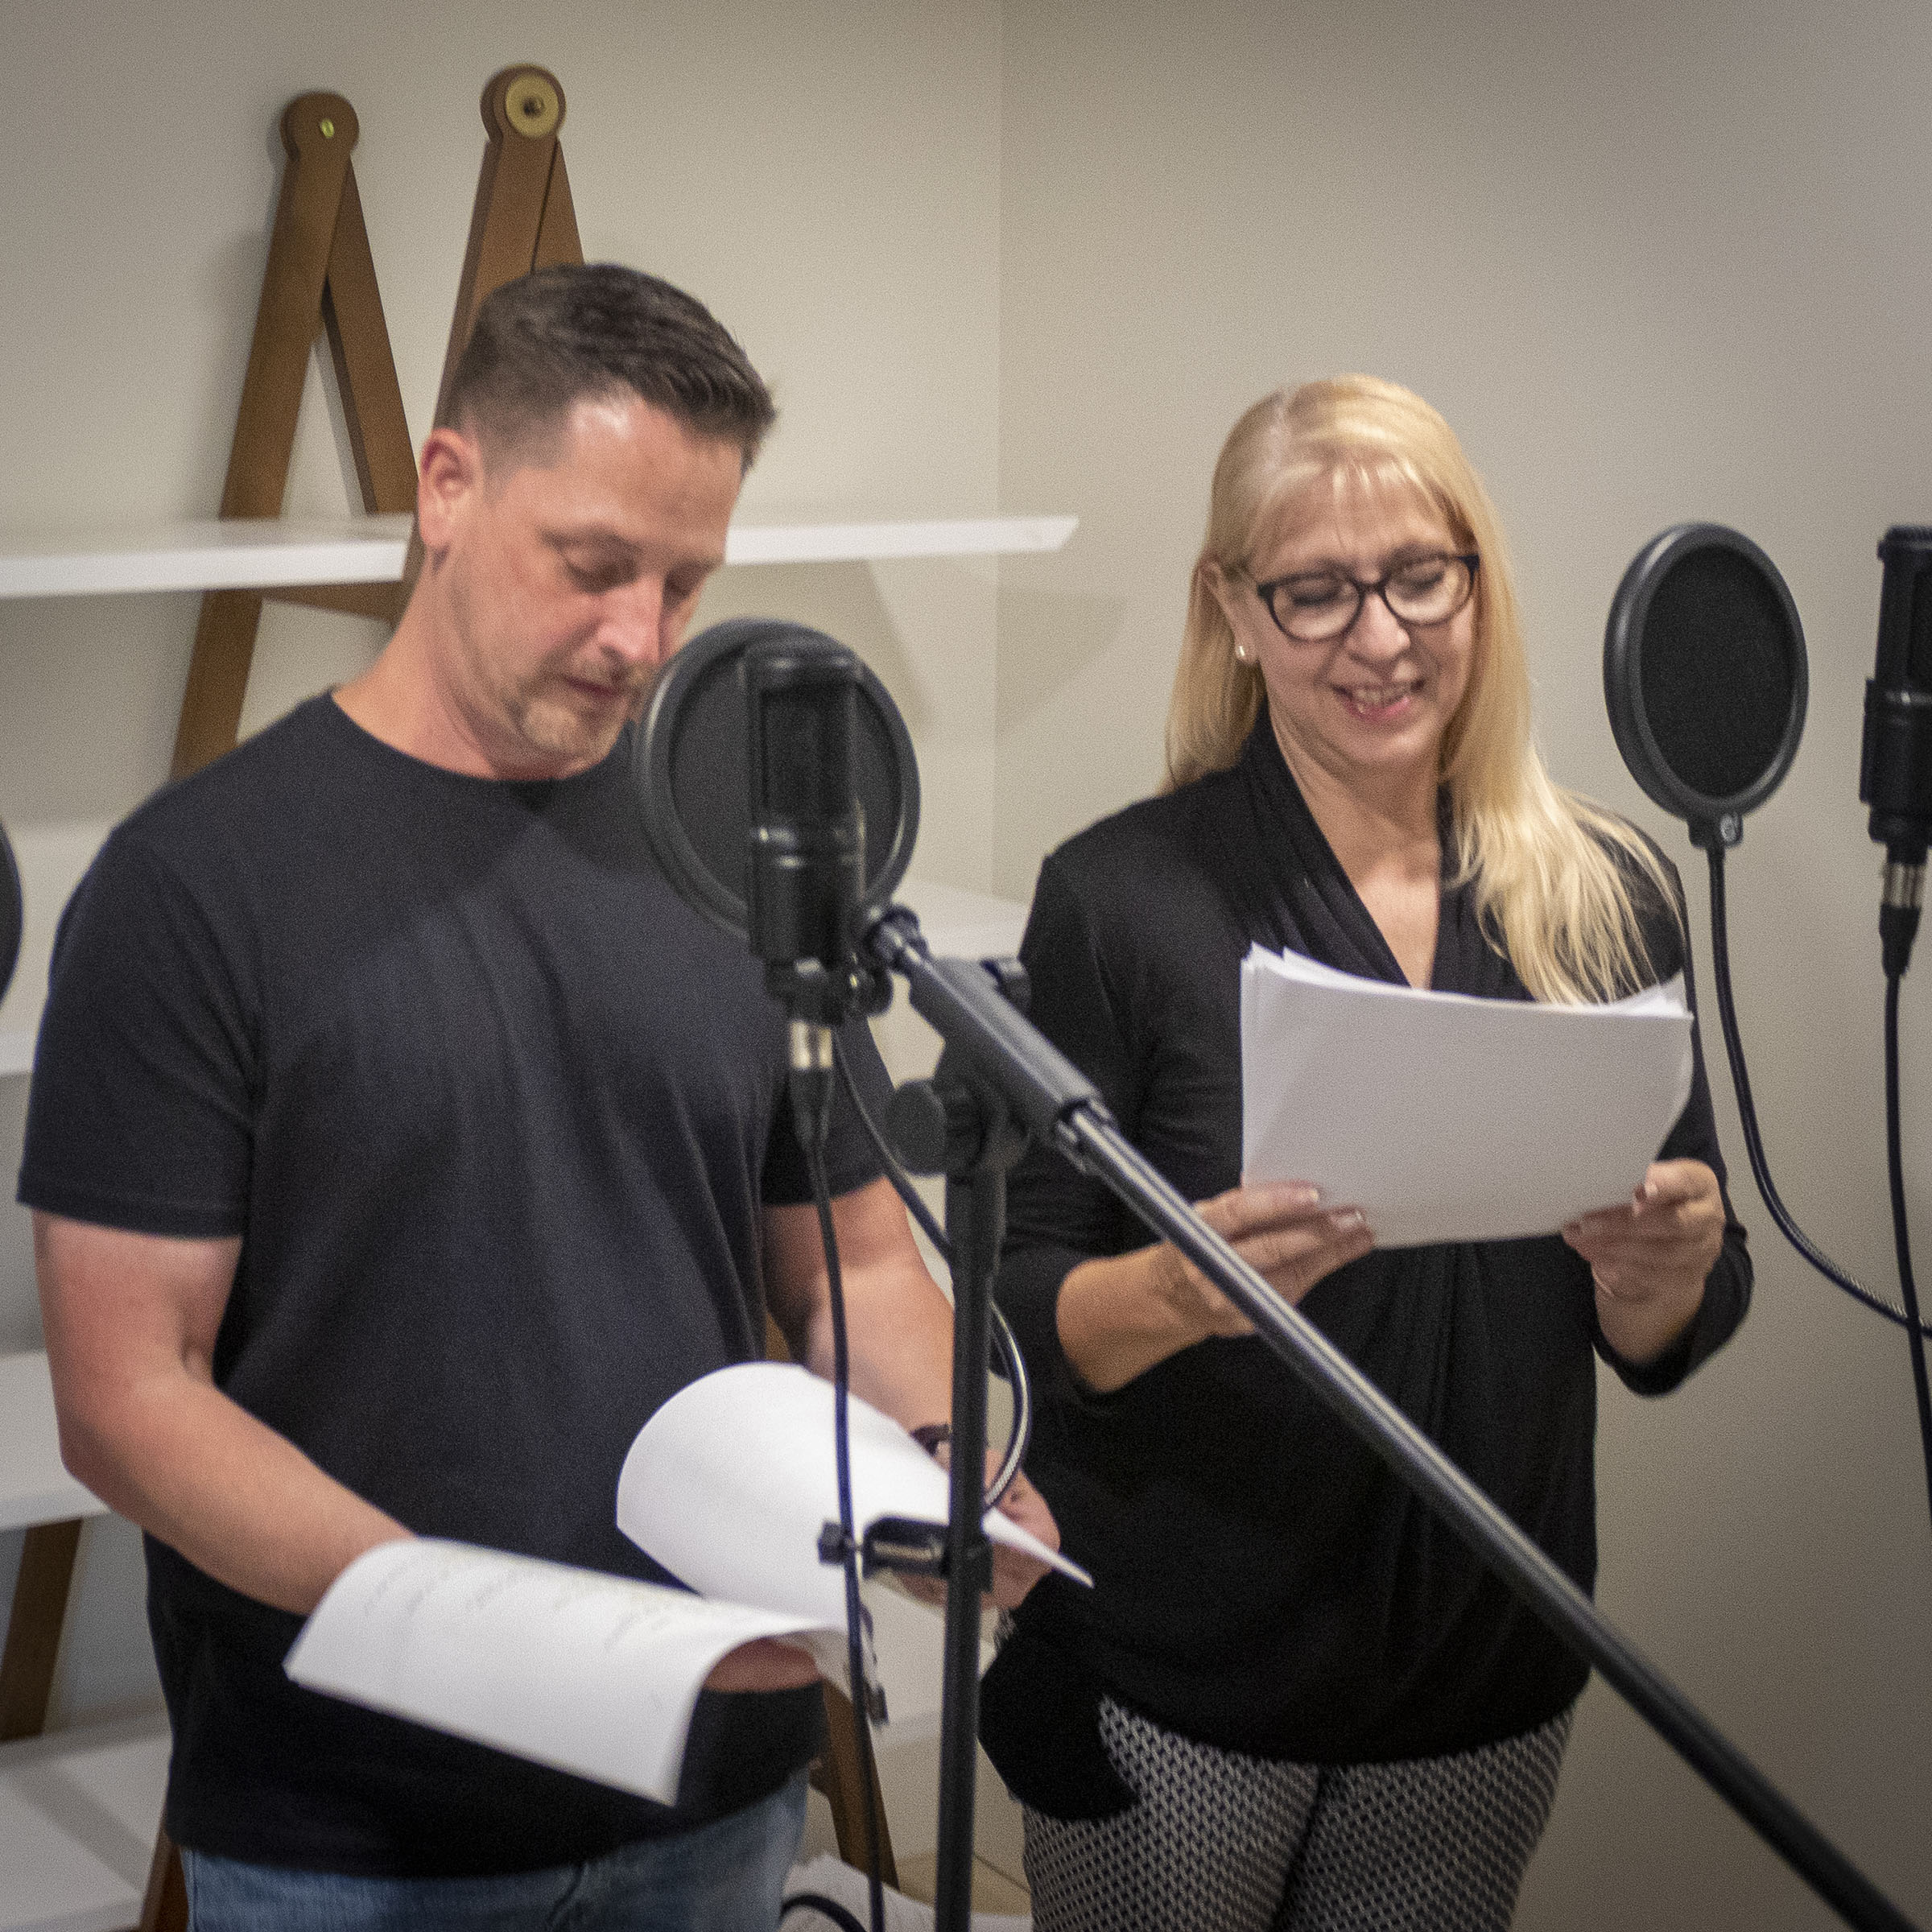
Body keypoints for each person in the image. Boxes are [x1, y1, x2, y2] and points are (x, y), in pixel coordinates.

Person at [21, 263, 1051, 1932]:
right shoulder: (192, 886)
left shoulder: (728, 861)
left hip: (717, 1794)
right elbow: (130, 1396)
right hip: (352, 1831)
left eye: (685, 582)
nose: (641, 636)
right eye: (592, 566)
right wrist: (509, 1639)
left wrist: (944, 1471)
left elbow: (852, 1265)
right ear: (449, 486)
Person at [977, 374, 1751, 1932]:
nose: (1381, 638)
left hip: (1486, 1675)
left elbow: (1674, 1321)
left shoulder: (1607, 891)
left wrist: (1665, 1273)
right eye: (1315, 592)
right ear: (1232, 610)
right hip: (1185, 1682)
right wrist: (1178, 1294)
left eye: (1418, 578)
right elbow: (1018, 1294)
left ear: (1478, 581)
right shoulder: (1123, 899)